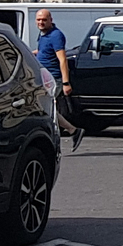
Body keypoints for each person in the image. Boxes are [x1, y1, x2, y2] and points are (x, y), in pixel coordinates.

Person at [34, 9, 82, 149]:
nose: (41, 22)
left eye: (44, 20)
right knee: (47, 108)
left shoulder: (56, 35)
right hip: (44, 77)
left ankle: (69, 132)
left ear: (50, 20)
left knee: (45, 108)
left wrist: (66, 83)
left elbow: (62, 60)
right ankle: (73, 131)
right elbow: (45, 51)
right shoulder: (43, 35)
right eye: (38, 20)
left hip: (53, 78)